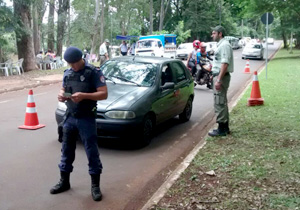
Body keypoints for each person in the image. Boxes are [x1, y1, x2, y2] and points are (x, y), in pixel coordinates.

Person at [50, 46, 108, 202]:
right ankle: (64, 181)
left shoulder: (93, 72)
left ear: (81, 59)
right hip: (70, 117)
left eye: (74, 63)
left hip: (86, 118)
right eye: (70, 63)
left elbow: (104, 93)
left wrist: (84, 96)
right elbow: (62, 89)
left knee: (91, 151)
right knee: (66, 150)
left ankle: (95, 186)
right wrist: (61, 95)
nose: (72, 66)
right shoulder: (68, 73)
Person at [208, 26, 234, 137]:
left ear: (220, 34)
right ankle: (225, 127)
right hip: (219, 76)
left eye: (214, 33)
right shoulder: (222, 45)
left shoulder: (224, 45)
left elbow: (225, 63)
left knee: (219, 102)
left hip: (221, 77)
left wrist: (218, 79)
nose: (212, 35)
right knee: (221, 101)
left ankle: (222, 129)